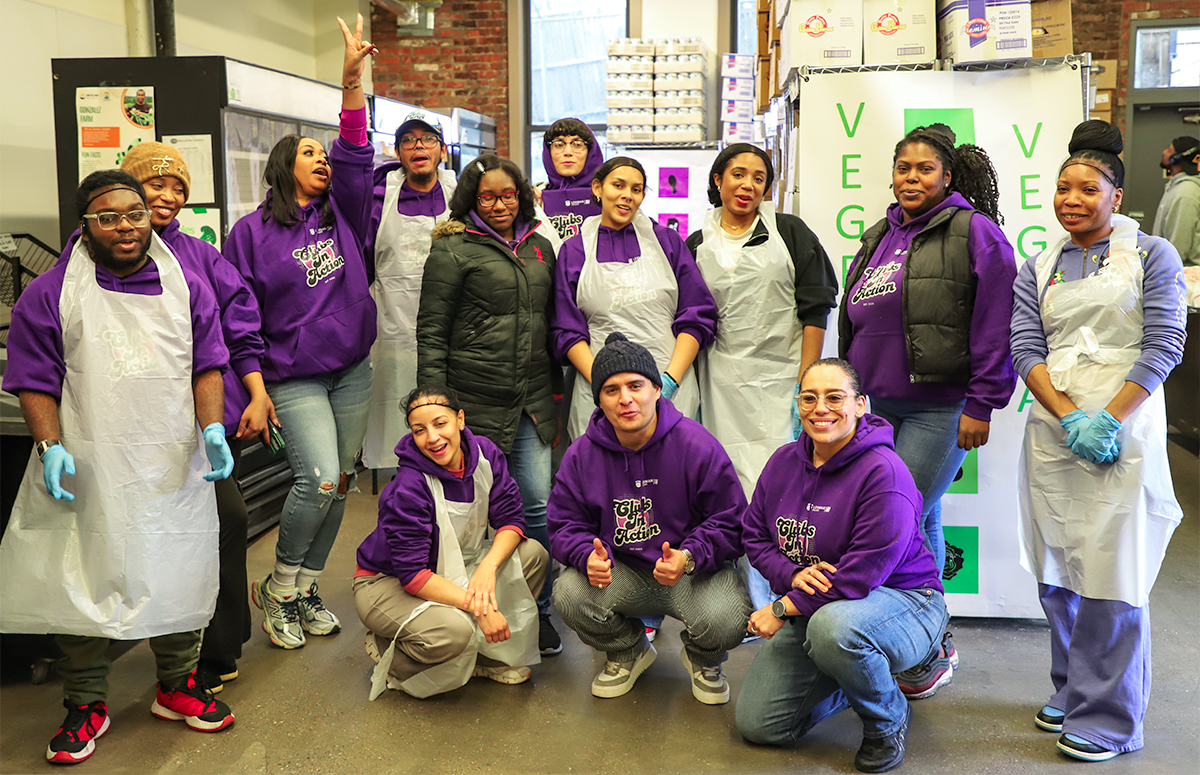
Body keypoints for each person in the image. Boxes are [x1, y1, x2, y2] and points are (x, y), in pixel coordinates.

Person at [0, 169, 237, 764]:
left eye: (134, 213)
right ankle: (85, 702)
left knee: (178, 559)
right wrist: (50, 446)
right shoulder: (49, 293)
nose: (126, 227)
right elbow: (33, 379)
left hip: (169, 457)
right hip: (86, 456)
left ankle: (178, 684)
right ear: (85, 225)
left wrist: (211, 427)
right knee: (81, 570)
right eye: (109, 218)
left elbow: (207, 362)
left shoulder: (187, 285)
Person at [56, 142, 272, 693]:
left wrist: (252, 394)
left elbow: (237, 328)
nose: (168, 197)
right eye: (155, 185)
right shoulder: (78, 263)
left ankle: (212, 650)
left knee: (222, 524)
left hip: (196, 431)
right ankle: (103, 667)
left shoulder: (199, 258)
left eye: (178, 187)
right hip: (108, 435)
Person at [1010, 120, 1186, 763]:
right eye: (1063, 189)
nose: (1072, 199)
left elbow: (1166, 341)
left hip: (1125, 427)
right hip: (1053, 433)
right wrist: (1065, 416)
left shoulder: (1152, 254)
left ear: (1116, 195)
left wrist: (1108, 417)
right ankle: (1073, 685)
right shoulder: (1040, 264)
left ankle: (1108, 716)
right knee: (1058, 565)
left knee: (1115, 569)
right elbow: (1025, 346)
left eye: (1089, 188)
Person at [837, 124, 1017, 697]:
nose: (911, 178)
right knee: (922, 518)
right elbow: (856, 318)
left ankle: (927, 645)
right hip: (875, 408)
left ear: (947, 176)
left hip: (937, 408)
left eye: (924, 169)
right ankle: (928, 639)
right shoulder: (878, 235)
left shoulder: (974, 233)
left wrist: (983, 403)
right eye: (903, 168)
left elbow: (997, 323)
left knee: (897, 518)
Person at [223, 15, 378, 650]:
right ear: (285, 168)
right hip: (292, 378)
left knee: (341, 481)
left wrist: (350, 83)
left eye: (323, 155)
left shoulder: (345, 209)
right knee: (315, 479)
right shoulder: (250, 235)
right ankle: (278, 588)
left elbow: (354, 150)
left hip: (352, 369)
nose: (322, 160)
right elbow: (240, 319)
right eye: (309, 154)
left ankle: (307, 586)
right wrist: (256, 389)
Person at [735, 358, 945, 773]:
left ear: (861, 404)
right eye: (809, 398)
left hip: (905, 602)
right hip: (820, 604)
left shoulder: (884, 473)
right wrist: (791, 575)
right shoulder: (783, 462)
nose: (821, 408)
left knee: (833, 629)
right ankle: (854, 679)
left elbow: (860, 575)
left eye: (835, 397)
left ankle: (887, 718)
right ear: (798, 404)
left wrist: (781, 606)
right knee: (760, 726)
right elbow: (753, 534)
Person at [549, 332, 750, 705]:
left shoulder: (696, 445)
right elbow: (563, 524)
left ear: (657, 390)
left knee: (728, 615)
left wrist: (690, 555)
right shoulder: (581, 456)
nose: (625, 398)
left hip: (690, 573)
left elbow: (733, 521)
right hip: (621, 572)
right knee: (570, 593)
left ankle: (704, 659)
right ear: (599, 400)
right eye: (611, 390)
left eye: (635, 385)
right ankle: (628, 652)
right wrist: (584, 556)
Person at [416, 153, 563, 656]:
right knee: (471, 512)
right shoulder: (452, 249)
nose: (500, 205)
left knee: (536, 505)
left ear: (522, 196)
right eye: (487, 197)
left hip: (532, 402)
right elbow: (432, 331)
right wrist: (434, 407)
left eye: (508, 195)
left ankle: (536, 613)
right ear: (471, 201)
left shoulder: (541, 247)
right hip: (472, 402)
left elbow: (553, 325)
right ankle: (464, 610)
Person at [686, 143, 838, 613]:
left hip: (780, 383)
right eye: (737, 174)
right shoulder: (695, 243)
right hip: (720, 383)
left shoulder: (789, 233)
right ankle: (736, 601)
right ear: (718, 181)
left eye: (758, 177)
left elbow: (816, 311)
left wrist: (805, 388)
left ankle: (782, 599)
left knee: (780, 492)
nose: (747, 185)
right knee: (728, 488)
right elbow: (688, 317)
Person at [353, 385, 548, 697]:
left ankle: (485, 657)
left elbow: (511, 519)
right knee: (453, 633)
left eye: (440, 423)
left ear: (460, 419)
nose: (432, 438)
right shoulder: (408, 487)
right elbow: (413, 576)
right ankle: (393, 655)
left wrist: (487, 569)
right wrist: (479, 608)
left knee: (533, 556)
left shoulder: (485, 455)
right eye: (420, 430)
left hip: (455, 563)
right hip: (386, 583)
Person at [551, 156, 717, 442]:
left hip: (670, 388)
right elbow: (567, 329)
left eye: (637, 189)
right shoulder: (575, 249)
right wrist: (606, 386)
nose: (628, 195)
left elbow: (697, 316)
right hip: (598, 392)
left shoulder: (667, 242)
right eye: (618, 185)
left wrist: (667, 382)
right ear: (597, 188)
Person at [362, 110, 458, 469]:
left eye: (428, 138)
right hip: (393, 331)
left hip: (452, 329)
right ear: (398, 152)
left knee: (447, 426)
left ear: (442, 150)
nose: (419, 146)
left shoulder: (460, 195)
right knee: (399, 428)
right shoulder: (378, 199)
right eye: (408, 140)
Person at [538, 117, 604, 241]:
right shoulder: (534, 199)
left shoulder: (611, 195)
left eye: (577, 144)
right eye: (559, 145)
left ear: (590, 152)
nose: (568, 152)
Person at [1152, 135, 1200, 267]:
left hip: (1183, 277)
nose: (1164, 152)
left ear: (1177, 158)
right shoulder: (1176, 188)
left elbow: (1179, 247)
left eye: (1169, 150)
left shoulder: (1185, 193)